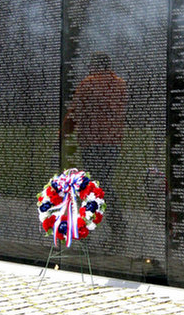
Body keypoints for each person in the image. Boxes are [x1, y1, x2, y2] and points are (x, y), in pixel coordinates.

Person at [62, 52, 127, 248]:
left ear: (94, 66)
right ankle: (106, 228)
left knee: (97, 186)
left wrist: (62, 134)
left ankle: (103, 228)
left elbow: (73, 113)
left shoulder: (87, 84)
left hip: (92, 142)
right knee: (103, 182)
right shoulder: (120, 84)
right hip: (113, 143)